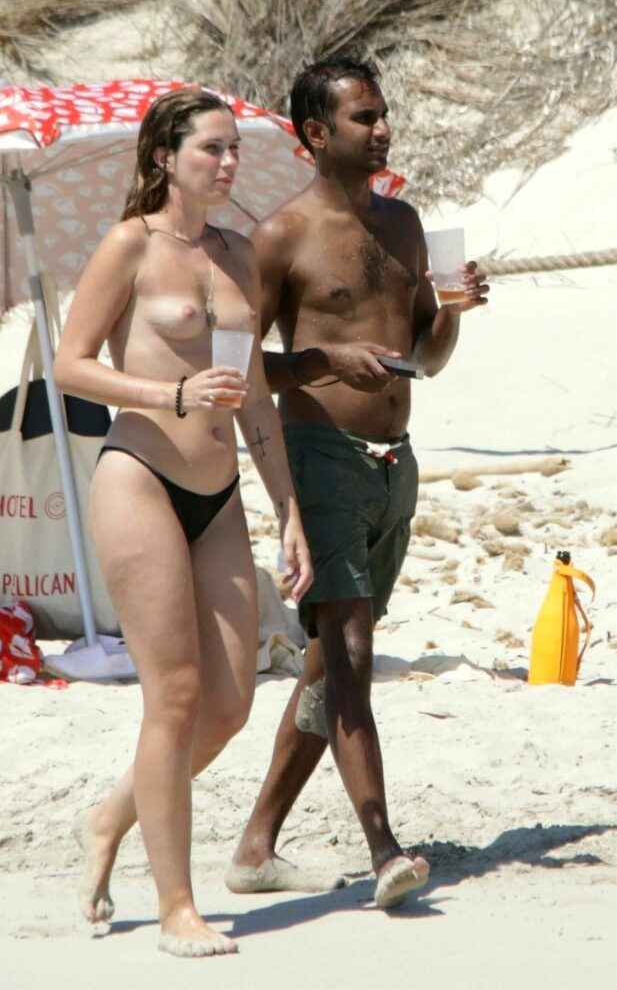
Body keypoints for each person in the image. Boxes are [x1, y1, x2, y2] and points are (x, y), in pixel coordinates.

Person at [224, 56, 489, 908]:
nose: (382, 129)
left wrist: (451, 312)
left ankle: (255, 846)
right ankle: (383, 849)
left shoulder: (404, 224)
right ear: (314, 132)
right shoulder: (280, 235)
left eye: (381, 114)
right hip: (320, 457)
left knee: (325, 667)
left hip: (392, 463)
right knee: (349, 658)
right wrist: (321, 360)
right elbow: (235, 369)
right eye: (362, 118)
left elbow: (426, 360)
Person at [53, 88, 312, 958]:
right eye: (211, 148)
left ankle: (109, 816)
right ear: (165, 157)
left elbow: (255, 399)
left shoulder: (238, 255)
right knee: (173, 695)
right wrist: (169, 392)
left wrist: (288, 510)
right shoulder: (130, 244)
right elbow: (70, 366)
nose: (228, 162)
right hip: (141, 479)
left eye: (234, 148)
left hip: (219, 491)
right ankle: (176, 908)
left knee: (229, 703)